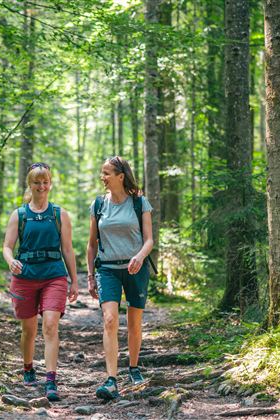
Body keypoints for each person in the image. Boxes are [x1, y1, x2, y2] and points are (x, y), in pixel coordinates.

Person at [3, 162, 78, 402]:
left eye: (45, 182)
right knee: (28, 330)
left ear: (50, 184)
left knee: (50, 325)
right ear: (30, 184)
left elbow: (67, 249)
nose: (41, 186)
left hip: (54, 275)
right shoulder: (20, 214)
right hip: (24, 277)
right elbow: (7, 246)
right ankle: (28, 368)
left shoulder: (59, 214)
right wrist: (10, 261)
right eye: (37, 182)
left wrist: (74, 281)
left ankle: (51, 380)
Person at [86, 156, 154, 400]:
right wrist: (91, 276)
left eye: (106, 173)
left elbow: (149, 240)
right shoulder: (98, 205)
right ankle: (111, 379)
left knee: (134, 321)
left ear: (120, 176)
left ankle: (134, 368)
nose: (102, 177)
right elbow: (91, 245)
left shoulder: (139, 203)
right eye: (101, 173)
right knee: (110, 319)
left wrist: (139, 256)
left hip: (136, 268)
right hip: (108, 269)